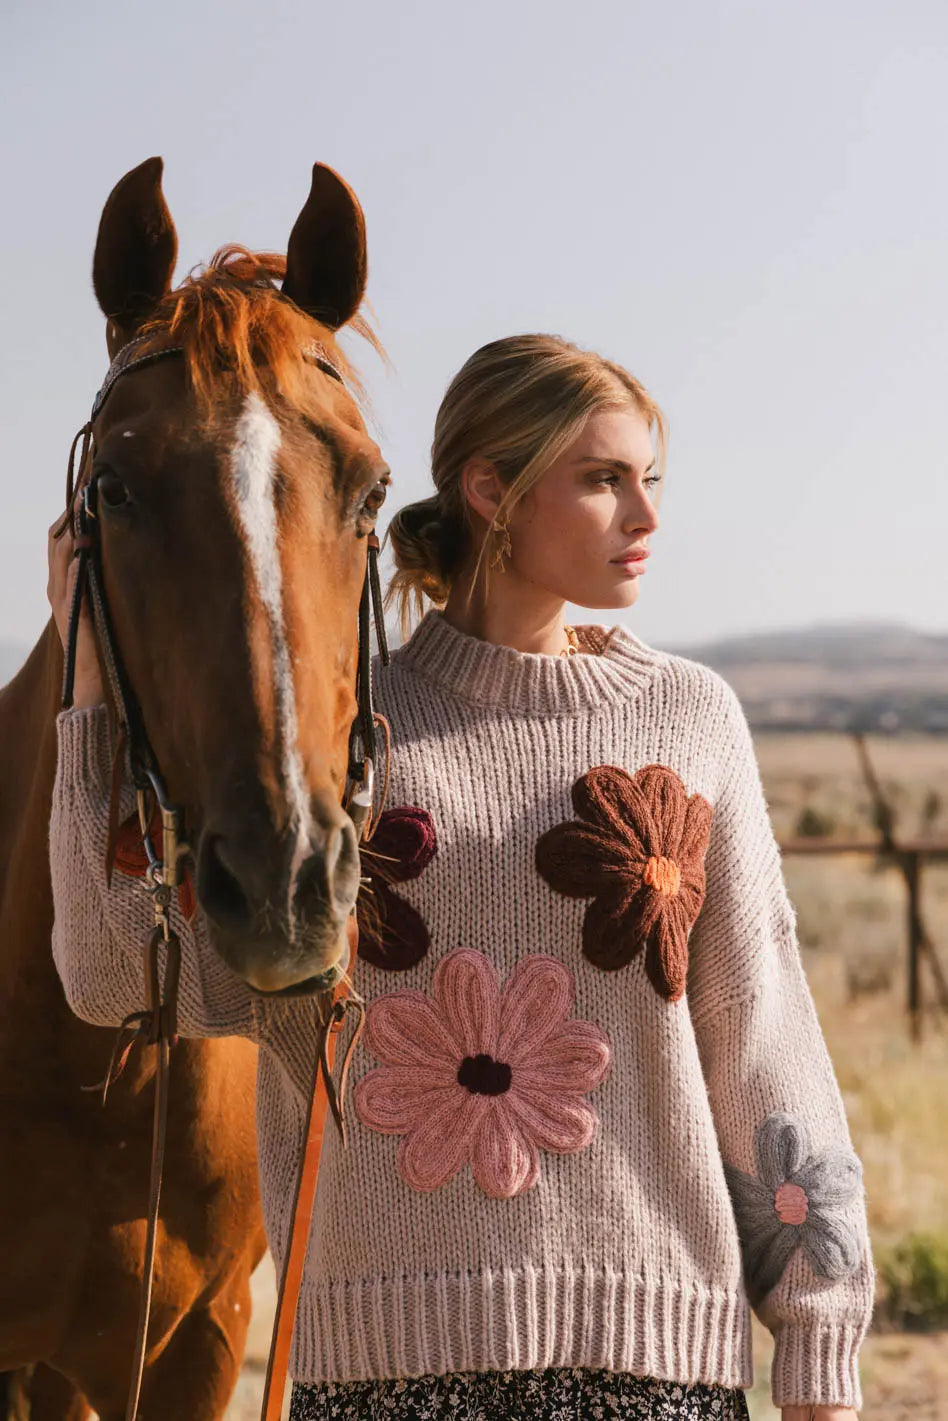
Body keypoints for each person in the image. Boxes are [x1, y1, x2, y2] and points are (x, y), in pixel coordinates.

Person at [47, 333, 874, 1420]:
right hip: (383, 1374)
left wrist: (820, 1343)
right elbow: (114, 972)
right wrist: (90, 705)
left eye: (650, 479)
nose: (646, 515)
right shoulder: (347, 738)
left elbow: (765, 1050)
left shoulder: (691, 720)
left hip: (658, 1369)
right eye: (602, 479)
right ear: (492, 489)